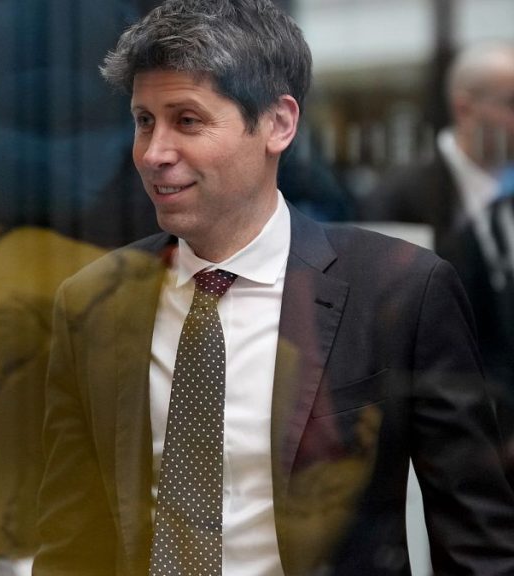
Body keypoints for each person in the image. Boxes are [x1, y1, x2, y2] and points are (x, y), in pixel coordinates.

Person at [34, 1, 514, 575]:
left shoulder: (400, 291)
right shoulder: (93, 302)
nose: (154, 153)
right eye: (143, 121)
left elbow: (476, 543)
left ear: (279, 124)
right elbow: (70, 541)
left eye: (187, 120)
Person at [365, 40, 514, 473]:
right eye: (510, 103)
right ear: (465, 108)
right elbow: (388, 346)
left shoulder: (503, 196)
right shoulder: (397, 200)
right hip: (451, 454)